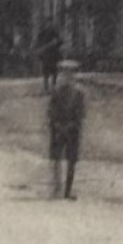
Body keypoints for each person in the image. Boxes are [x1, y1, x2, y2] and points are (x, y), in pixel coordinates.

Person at [47, 59, 85, 200]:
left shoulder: (79, 93)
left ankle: (67, 190)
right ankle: (57, 187)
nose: (68, 77)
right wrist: (57, 124)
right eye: (65, 74)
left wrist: (70, 125)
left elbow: (81, 113)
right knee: (56, 158)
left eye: (71, 74)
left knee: (71, 159)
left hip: (71, 128)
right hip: (59, 128)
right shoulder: (56, 92)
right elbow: (51, 110)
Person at [36, 24, 63, 93]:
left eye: (49, 23)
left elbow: (60, 42)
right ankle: (46, 88)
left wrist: (56, 42)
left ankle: (53, 87)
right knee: (46, 74)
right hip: (46, 56)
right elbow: (38, 44)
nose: (48, 25)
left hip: (53, 56)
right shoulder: (42, 33)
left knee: (54, 73)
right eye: (47, 23)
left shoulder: (54, 33)